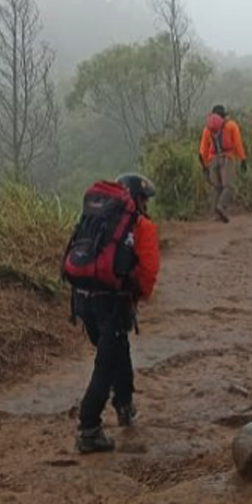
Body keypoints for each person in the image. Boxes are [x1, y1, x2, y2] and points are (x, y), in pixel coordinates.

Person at [68, 174, 161, 454]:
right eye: (145, 199)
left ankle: (124, 405)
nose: (146, 205)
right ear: (137, 198)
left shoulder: (96, 220)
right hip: (113, 301)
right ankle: (89, 427)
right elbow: (148, 271)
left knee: (118, 349)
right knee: (107, 363)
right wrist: (138, 296)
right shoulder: (140, 226)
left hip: (83, 299)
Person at [199, 105, 248, 223]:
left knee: (217, 187)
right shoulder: (231, 125)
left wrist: (204, 166)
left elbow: (202, 150)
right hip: (227, 158)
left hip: (212, 160)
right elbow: (237, 144)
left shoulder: (207, 129)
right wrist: (243, 159)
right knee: (229, 186)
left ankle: (215, 214)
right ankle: (221, 207)